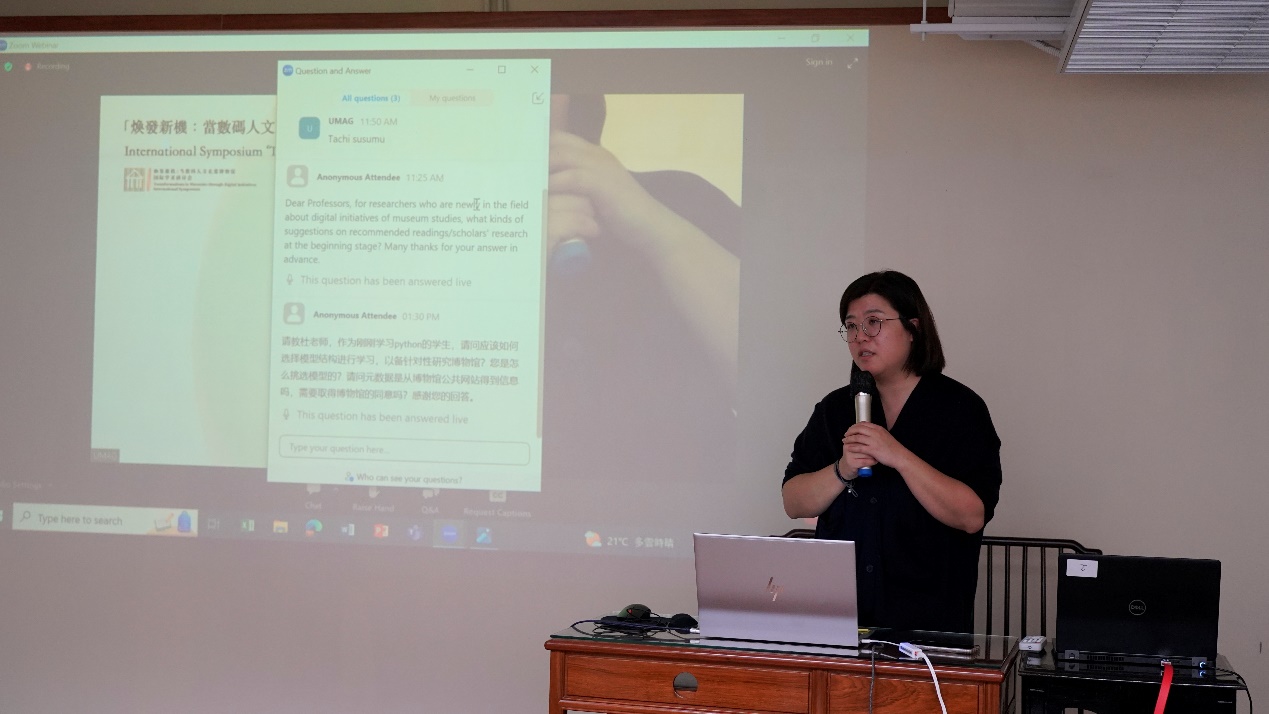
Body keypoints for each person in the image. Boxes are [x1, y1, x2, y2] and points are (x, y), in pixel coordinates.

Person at [781, 270, 1002, 633]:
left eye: (874, 322)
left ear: (913, 328)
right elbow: (793, 502)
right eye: (851, 326)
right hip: (839, 616)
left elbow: (971, 516)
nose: (860, 336)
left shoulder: (960, 408)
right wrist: (842, 469)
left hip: (928, 622)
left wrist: (897, 455)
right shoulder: (834, 409)